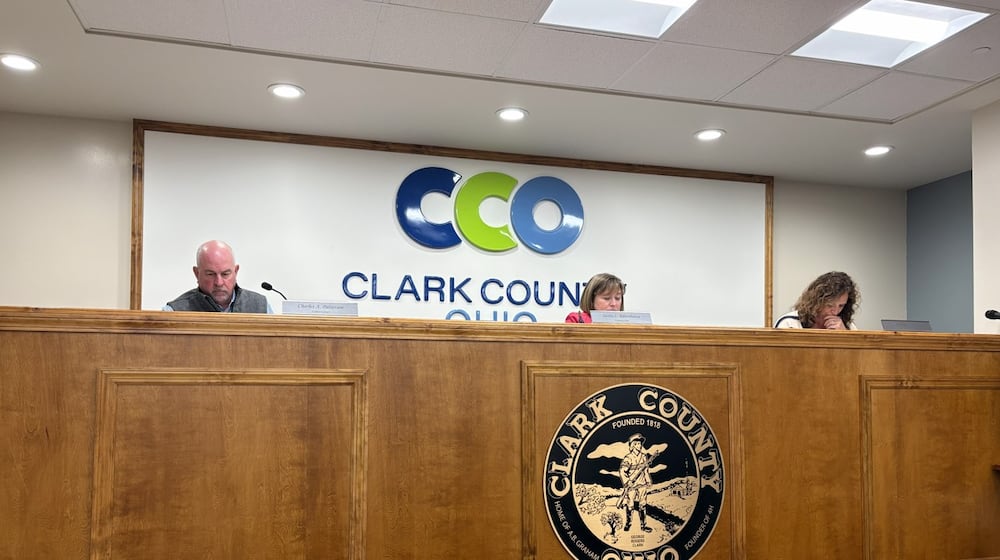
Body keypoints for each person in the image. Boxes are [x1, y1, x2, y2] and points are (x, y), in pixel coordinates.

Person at [164, 240, 271, 313]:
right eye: (210, 274)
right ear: (197, 273)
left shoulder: (261, 306)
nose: (219, 283)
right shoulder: (174, 311)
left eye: (225, 274)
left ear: (236, 271)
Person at [774, 271, 860, 330]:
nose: (835, 312)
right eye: (829, 305)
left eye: (841, 306)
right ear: (816, 301)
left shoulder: (848, 326)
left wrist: (844, 337)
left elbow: (859, 356)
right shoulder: (789, 323)